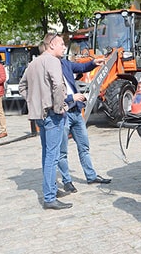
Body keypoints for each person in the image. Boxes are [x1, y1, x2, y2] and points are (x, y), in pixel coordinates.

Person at [19, 32, 72, 210]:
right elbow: (58, 85)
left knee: (47, 154)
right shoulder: (52, 61)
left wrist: (33, 102)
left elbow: (22, 86)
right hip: (51, 114)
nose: (64, 47)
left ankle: (52, 190)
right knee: (52, 155)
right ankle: (49, 196)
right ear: (51, 45)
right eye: (61, 44)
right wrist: (59, 107)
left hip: (39, 115)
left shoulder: (33, 63)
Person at [57, 52, 110, 194]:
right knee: (62, 151)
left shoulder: (65, 63)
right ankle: (67, 181)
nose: (64, 48)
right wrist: (70, 97)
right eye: (61, 45)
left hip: (75, 111)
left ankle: (91, 176)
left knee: (84, 146)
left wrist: (93, 63)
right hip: (63, 113)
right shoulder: (49, 67)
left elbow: (81, 67)